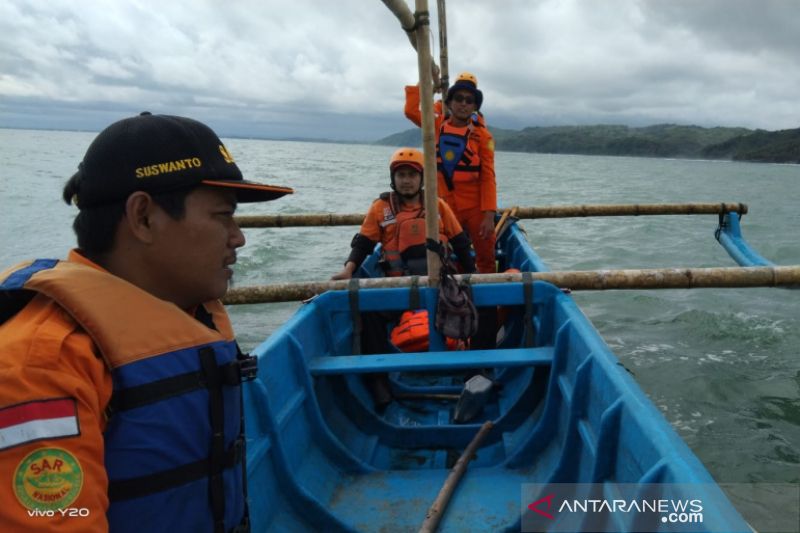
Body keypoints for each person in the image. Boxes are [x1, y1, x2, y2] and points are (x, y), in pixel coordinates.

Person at [0, 112, 293, 532]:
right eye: (221, 216)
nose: (238, 237)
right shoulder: (42, 366)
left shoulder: (187, 313)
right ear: (142, 217)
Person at [331, 147, 476, 410]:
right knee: (369, 312)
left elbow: (460, 242)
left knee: (477, 306)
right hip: (400, 288)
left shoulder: (438, 205)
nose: (406, 180)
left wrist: (474, 276)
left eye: (412, 175)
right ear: (392, 178)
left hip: (441, 286)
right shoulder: (380, 208)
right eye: (401, 175)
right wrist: (349, 268)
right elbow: (364, 242)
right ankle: (378, 379)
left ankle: (477, 369)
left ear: (422, 179)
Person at [404, 71, 498, 274]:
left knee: (486, 257)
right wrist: (425, 83)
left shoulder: (483, 136)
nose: (463, 103)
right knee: (442, 252)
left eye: (469, 100)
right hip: (444, 204)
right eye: (458, 98)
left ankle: (488, 301)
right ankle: (450, 295)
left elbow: (488, 175)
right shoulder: (436, 125)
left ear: (474, 106)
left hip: (476, 206)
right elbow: (411, 111)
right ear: (450, 102)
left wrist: (489, 214)